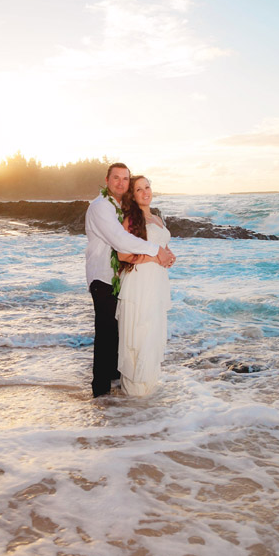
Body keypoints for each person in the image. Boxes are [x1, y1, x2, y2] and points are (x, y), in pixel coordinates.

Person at [85, 163, 175, 397]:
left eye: (125, 179)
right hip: (103, 277)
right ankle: (101, 396)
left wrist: (164, 254)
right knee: (108, 336)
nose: (121, 183)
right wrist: (156, 253)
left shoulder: (121, 209)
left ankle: (120, 398)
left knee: (123, 334)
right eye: (116, 178)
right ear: (106, 180)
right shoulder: (101, 207)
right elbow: (121, 242)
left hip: (125, 279)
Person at [115, 175, 172, 397]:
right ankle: (134, 399)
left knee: (152, 333)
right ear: (133, 195)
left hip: (157, 281)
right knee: (138, 335)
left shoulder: (157, 219)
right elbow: (123, 254)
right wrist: (154, 258)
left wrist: (168, 256)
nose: (145, 192)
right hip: (139, 281)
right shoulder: (131, 219)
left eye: (147, 187)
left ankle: (149, 395)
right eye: (139, 189)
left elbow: (161, 247)